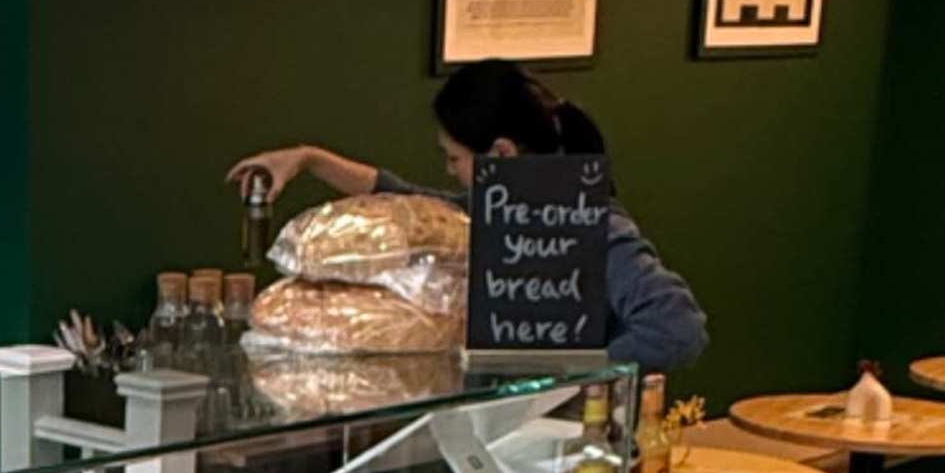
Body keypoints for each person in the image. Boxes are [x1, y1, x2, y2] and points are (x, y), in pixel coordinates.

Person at [229, 66, 708, 368]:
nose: (449, 171)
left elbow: (678, 329)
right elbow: (413, 203)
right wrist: (310, 158)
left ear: (500, 153)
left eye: (455, 159)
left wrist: (566, 375)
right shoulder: (493, 215)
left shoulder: (597, 229)